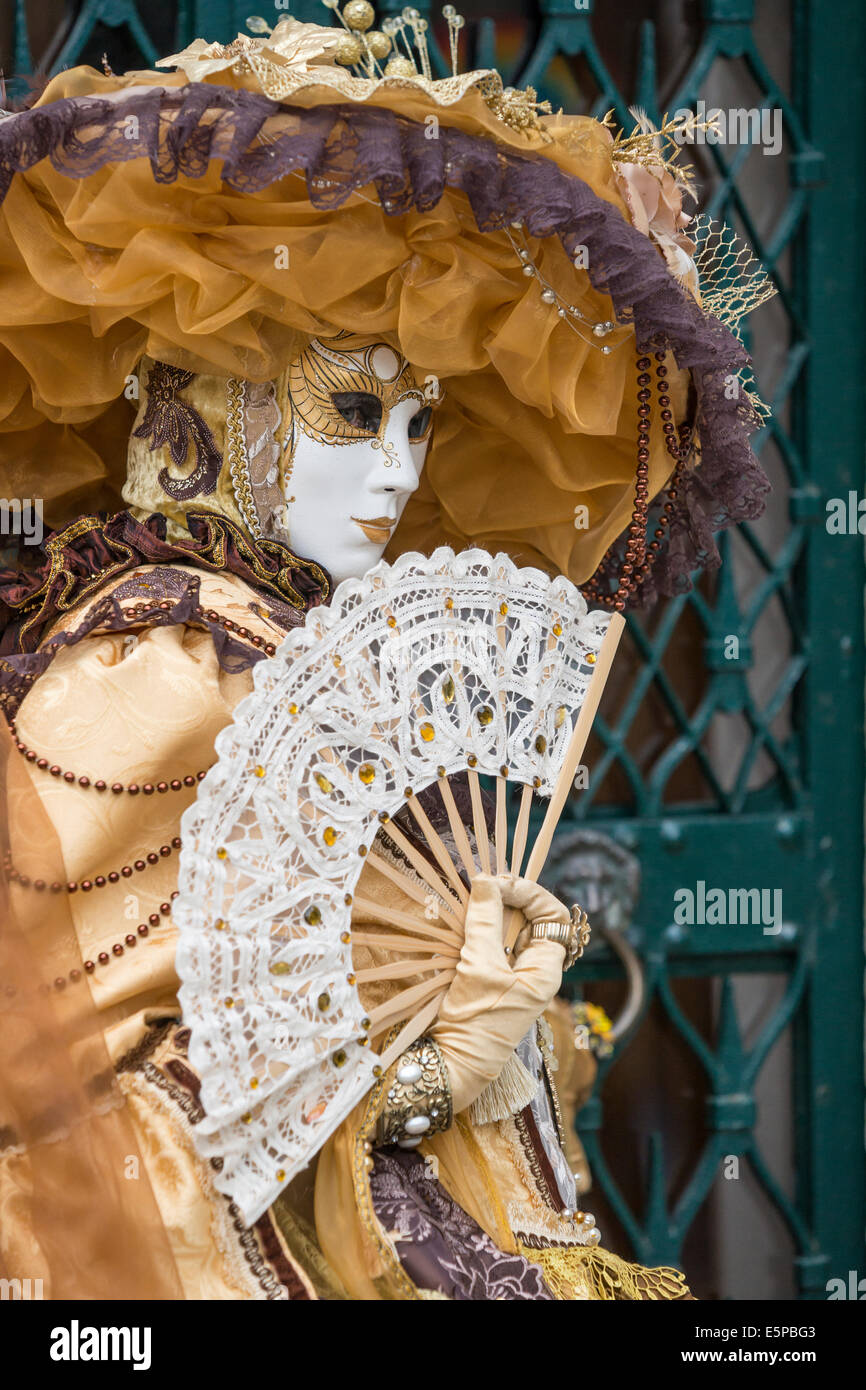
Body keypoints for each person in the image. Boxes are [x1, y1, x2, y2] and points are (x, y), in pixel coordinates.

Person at [0, 11, 768, 1300]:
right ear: (219, 402)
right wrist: (423, 1076)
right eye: (353, 409)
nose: (399, 470)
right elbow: (45, 1100)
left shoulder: (294, 642)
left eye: (421, 421)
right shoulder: (166, 660)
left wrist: (493, 1022)